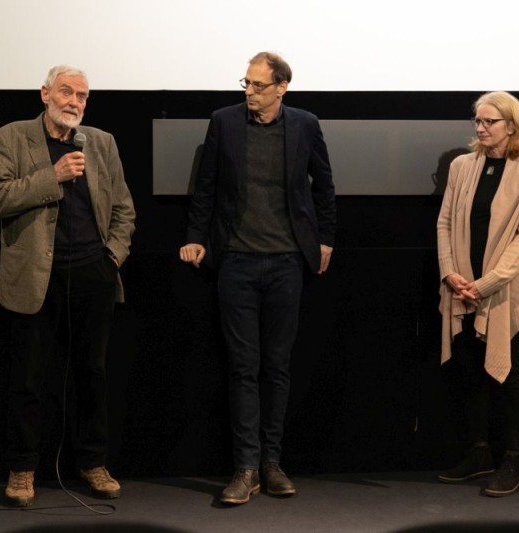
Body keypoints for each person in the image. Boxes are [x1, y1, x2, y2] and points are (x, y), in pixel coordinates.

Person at [179, 51, 336, 505]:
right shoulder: (224, 121)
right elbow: (205, 186)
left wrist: (325, 241)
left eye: (258, 85)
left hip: (288, 262)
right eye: (246, 83)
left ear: (282, 87)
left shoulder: (304, 124)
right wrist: (195, 236)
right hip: (236, 262)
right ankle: (245, 467)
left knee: (278, 367)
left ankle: (273, 463)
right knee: (243, 367)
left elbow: (324, 186)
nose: (249, 91)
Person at [0, 65, 136, 506]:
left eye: (83, 96)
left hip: (93, 273)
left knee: (92, 375)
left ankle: (93, 462)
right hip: (34, 277)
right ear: (45, 93)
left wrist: (113, 256)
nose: (74, 102)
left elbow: (124, 209)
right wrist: (55, 175)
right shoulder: (11, 137)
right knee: (29, 379)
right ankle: (22, 469)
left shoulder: (101, 143)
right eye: (66, 92)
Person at [436, 91, 519, 497]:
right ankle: (479, 453)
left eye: (489, 122)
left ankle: (512, 460)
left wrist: (482, 286)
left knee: (509, 373)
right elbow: (445, 222)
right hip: (460, 286)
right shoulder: (463, 166)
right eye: (477, 121)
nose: (480, 128)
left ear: (511, 125)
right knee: (469, 371)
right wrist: (451, 274)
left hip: (503, 291)